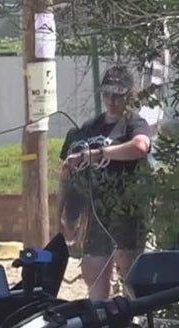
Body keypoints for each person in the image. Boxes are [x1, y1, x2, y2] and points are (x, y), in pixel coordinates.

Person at [59, 65, 154, 300]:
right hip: (96, 214)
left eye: (118, 95)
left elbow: (141, 146)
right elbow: (67, 175)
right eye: (107, 94)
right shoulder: (89, 128)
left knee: (130, 274)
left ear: (128, 96)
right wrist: (65, 216)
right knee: (93, 274)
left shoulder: (133, 123)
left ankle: (135, 321)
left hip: (126, 211)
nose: (111, 100)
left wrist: (98, 154)